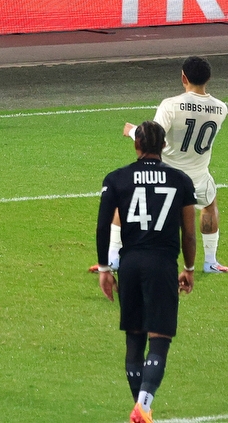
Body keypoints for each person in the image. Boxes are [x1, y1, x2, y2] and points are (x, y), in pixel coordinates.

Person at [95, 120, 196, 423]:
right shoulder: (181, 180)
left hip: (130, 265)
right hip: (162, 265)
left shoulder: (117, 179)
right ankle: (144, 404)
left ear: (136, 145)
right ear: (163, 146)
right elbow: (189, 233)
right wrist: (189, 268)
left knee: (135, 340)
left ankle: (141, 409)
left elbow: (103, 227)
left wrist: (104, 267)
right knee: (160, 338)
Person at [94, 57, 228, 273]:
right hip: (198, 177)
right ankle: (210, 261)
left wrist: (131, 131)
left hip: (166, 176)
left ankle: (113, 260)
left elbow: (152, 139)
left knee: (124, 207)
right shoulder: (221, 109)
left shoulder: (171, 105)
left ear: (183, 77)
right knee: (209, 205)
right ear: (209, 78)